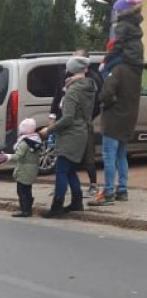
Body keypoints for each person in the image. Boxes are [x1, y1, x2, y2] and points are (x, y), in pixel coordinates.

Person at [39, 57, 96, 218]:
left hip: (71, 133)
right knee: (70, 169)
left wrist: (48, 130)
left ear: (70, 70)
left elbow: (68, 117)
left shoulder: (73, 91)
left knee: (61, 170)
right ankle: (77, 203)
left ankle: (57, 206)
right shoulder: (88, 86)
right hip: (82, 131)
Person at [89, 51, 142, 206]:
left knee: (109, 156)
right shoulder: (135, 72)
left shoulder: (117, 70)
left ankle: (109, 192)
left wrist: (106, 101)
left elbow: (106, 94)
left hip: (114, 120)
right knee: (121, 156)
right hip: (128, 120)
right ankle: (123, 190)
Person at [49, 53, 101, 196]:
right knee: (67, 163)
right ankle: (73, 198)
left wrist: (48, 130)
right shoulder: (72, 80)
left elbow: (95, 103)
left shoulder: (84, 83)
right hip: (75, 124)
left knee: (82, 159)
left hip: (77, 126)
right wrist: (53, 115)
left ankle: (91, 186)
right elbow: (57, 97)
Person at [0, 118, 42, 217]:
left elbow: (18, 156)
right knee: (28, 189)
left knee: (21, 190)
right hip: (32, 169)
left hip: (24, 170)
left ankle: (24, 210)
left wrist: (7, 156)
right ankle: (28, 208)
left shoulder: (24, 143)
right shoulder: (35, 140)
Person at [101, 0, 143, 78]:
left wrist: (106, 59)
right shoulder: (134, 22)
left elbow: (118, 45)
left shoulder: (122, 24)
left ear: (122, 11)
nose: (115, 13)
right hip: (137, 54)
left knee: (104, 69)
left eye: (116, 10)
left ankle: (109, 87)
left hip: (128, 55)